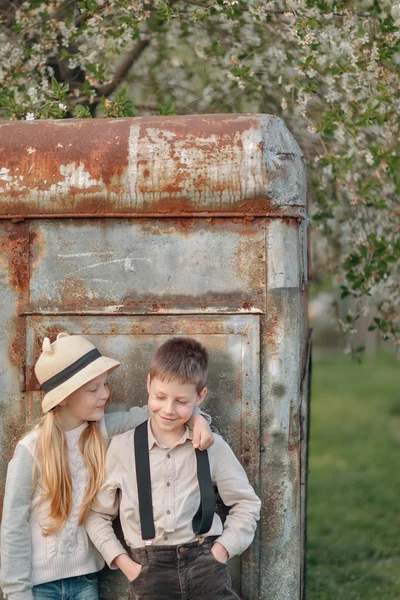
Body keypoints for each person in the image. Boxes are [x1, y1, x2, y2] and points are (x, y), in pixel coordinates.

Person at [0, 333, 213, 600]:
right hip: (37, 586)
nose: (105, 394)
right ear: (63, 397)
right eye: (94, 389)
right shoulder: (30, 450)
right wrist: (16, 592)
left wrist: (198, 418)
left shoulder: (104, 430)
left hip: (86, 581)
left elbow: (162, 412)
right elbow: (13, 526)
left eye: (105, 385)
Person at [85, 336, 261, 600]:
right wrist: (126, 564)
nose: (168, 409)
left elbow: (246, 503)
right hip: (147, 572)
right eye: (160, 397)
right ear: (148, 384)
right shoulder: (122, 449)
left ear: (200, 396)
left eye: (181, 401)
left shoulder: (210, 445)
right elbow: (97, 515)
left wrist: (221, 551)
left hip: (206, 566)